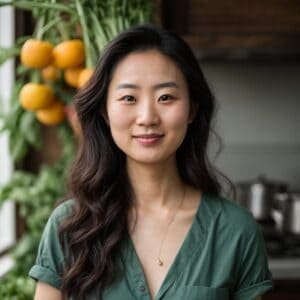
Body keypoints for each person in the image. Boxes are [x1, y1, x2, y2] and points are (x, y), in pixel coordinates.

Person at [29, 24, 273, 300]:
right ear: (105, 112)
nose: (147, 117)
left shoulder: (235, 230)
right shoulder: (70, 225)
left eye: (165, 97)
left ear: (191, 108)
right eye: (129, 98)